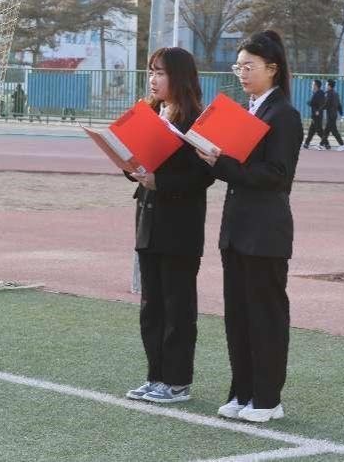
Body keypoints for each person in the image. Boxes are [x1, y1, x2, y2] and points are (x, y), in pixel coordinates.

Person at [196, 30, 303, 423]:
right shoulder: (249, 111)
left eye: (249, 66)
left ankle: (267, 399)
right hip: (237, 229)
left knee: (265, 316)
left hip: (265, 231)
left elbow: (277, 175)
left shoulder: (284, 114)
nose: (241, 73)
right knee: (238, 316)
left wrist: (221, 163)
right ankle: (242, 393)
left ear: (272, 69)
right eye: (238, 66)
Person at [125, 47, 214, 405]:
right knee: (152, 307)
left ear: (179, 77)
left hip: (180, 226)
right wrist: (130, 165)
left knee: (177, 307)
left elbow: (203, 176)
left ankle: (177, 382)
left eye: (160, 73)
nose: (153, 79)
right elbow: (136, 162)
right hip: (149, 220)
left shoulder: (197, 119)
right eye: (151, 72)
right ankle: (155, 376)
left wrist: (159, 181)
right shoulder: (149, 112)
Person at [319, 79, 344, 151]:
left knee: (334, 131)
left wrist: (319, 109)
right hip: (334, 115)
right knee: (326, 131)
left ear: (329, 86)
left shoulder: (329, 93)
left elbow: (327, 104)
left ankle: (342, 145)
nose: (325, 85)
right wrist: (341, 114)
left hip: (331, 115)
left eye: (326, 84)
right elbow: (339, 105)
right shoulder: (336, 93)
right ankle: (321, 145)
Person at [302, 79, 325, 149]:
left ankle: (326, 143)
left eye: (313, 84)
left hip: (317, 115)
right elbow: (313, 102)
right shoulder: (318, 93)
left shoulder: (319, 93)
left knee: (319, 131)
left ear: (316, 86)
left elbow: (316, 103)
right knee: (311, 130)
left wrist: (318, 110)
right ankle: (306, 143)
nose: (312, 86)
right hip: (315, 114)